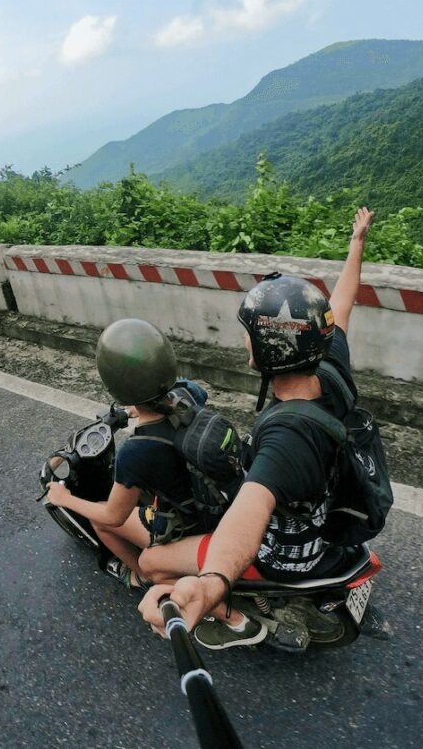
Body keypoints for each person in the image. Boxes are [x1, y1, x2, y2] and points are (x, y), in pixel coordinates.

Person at [138, 206, 376, 649]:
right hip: (323, 508)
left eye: (249, 333)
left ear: (272, 347)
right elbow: (342, 299)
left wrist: (210, 585)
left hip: (288, 553)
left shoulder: (288, 439)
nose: (244, 338)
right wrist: (357, 241)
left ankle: (231, 619)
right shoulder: (329, 362)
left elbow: (248, 513)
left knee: (152, 561)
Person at [47, 318, 203, 589]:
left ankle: (138, 574)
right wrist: (133, 410)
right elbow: (175, 392)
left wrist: (65, 498)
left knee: (100, 519)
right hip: (204, 499)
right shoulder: (190, 393)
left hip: (184, 526)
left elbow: (113, 516)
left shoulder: (136, 451)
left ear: (115, 387)